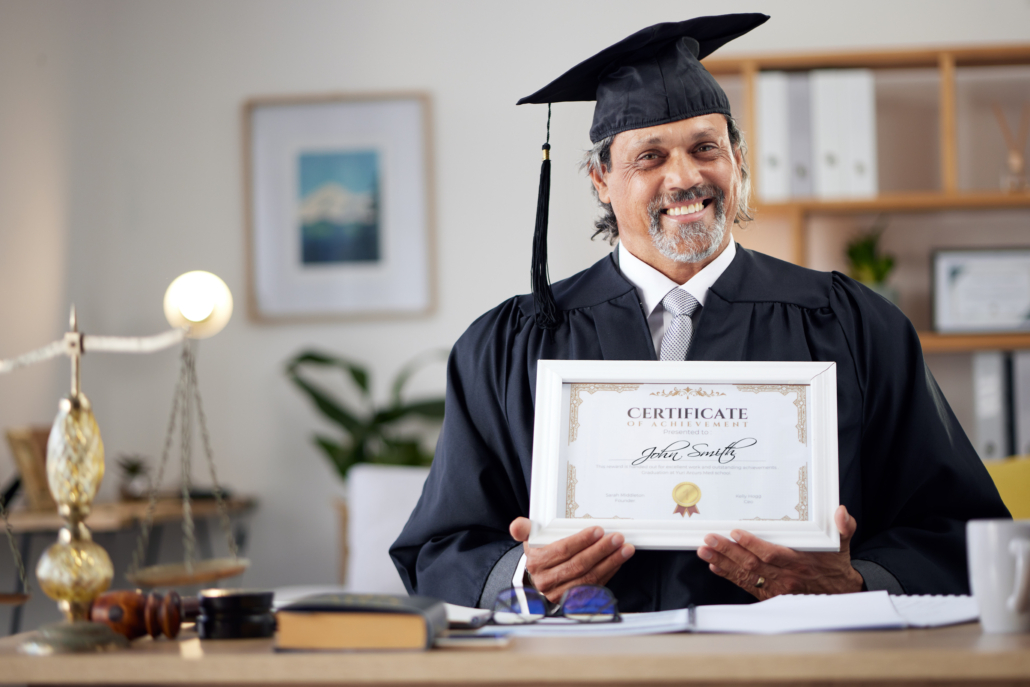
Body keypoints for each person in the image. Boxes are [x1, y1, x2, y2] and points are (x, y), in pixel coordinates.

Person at [390, 14, 1009, 612]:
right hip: (586, 668)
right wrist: (526, 576)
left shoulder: (853, 324)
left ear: (738, 159)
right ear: (600, 178)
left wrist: (856, 581)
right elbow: (439, 549)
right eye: (650, 157)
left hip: (796, 669)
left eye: (705, 147)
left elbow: (964, 533)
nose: (685, 177)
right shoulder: (511, 344)